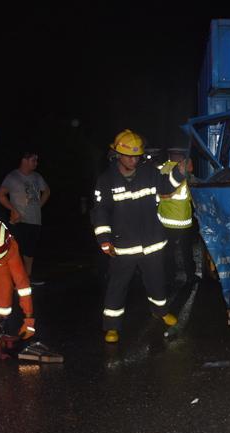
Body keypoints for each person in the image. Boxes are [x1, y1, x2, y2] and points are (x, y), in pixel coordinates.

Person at [92, 129, 187, 343]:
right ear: (117, 154)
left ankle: (160, 312)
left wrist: (179, 173)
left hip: (153, 242)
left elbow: (165, 187)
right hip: (123, 246)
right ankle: (111, 327)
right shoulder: (106, 180)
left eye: (136, 156)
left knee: (157, 282)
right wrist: (104, 239)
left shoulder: (149, 172)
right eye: (128, 156)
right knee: (117, 287)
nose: (133, 160)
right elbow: (101, 211)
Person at [0, 151, 50, 284]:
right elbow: (0, 195)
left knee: (30, 251)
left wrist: (39, 205)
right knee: (16, 250)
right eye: (33, 160)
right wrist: (13, 210)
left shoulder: (37, 177)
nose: (36, 163)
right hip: (19, 220)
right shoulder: (13, 176)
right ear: (24, 161)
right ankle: (14, 279)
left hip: (35, 219)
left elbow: (47, 191)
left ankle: (27, 277)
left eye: (36, 160)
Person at [157, 148, 197, 289]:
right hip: (184, 220)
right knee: (186, 250)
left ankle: (169, 278)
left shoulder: (161, 169)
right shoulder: (184, 170)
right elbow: (192, 192)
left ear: (169, 154)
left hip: (166, 220)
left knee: (168, 252)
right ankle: (191, 277)